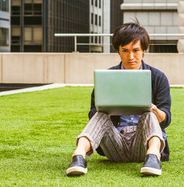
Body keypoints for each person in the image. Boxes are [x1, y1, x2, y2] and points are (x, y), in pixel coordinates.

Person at [66, 21, 172, 177]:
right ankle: (78, 156)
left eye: (136, 50)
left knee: (149, 114)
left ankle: (153, 158)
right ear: (118, 51)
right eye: (125, 51)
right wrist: (106, 111)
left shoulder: (158, 77)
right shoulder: (107, 77)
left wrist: (154, 110)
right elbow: (93, 116)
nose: (131, 57)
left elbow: (166, 119)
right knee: (99, 114)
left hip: (144, 146)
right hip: (115, 144)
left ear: (143, 50)